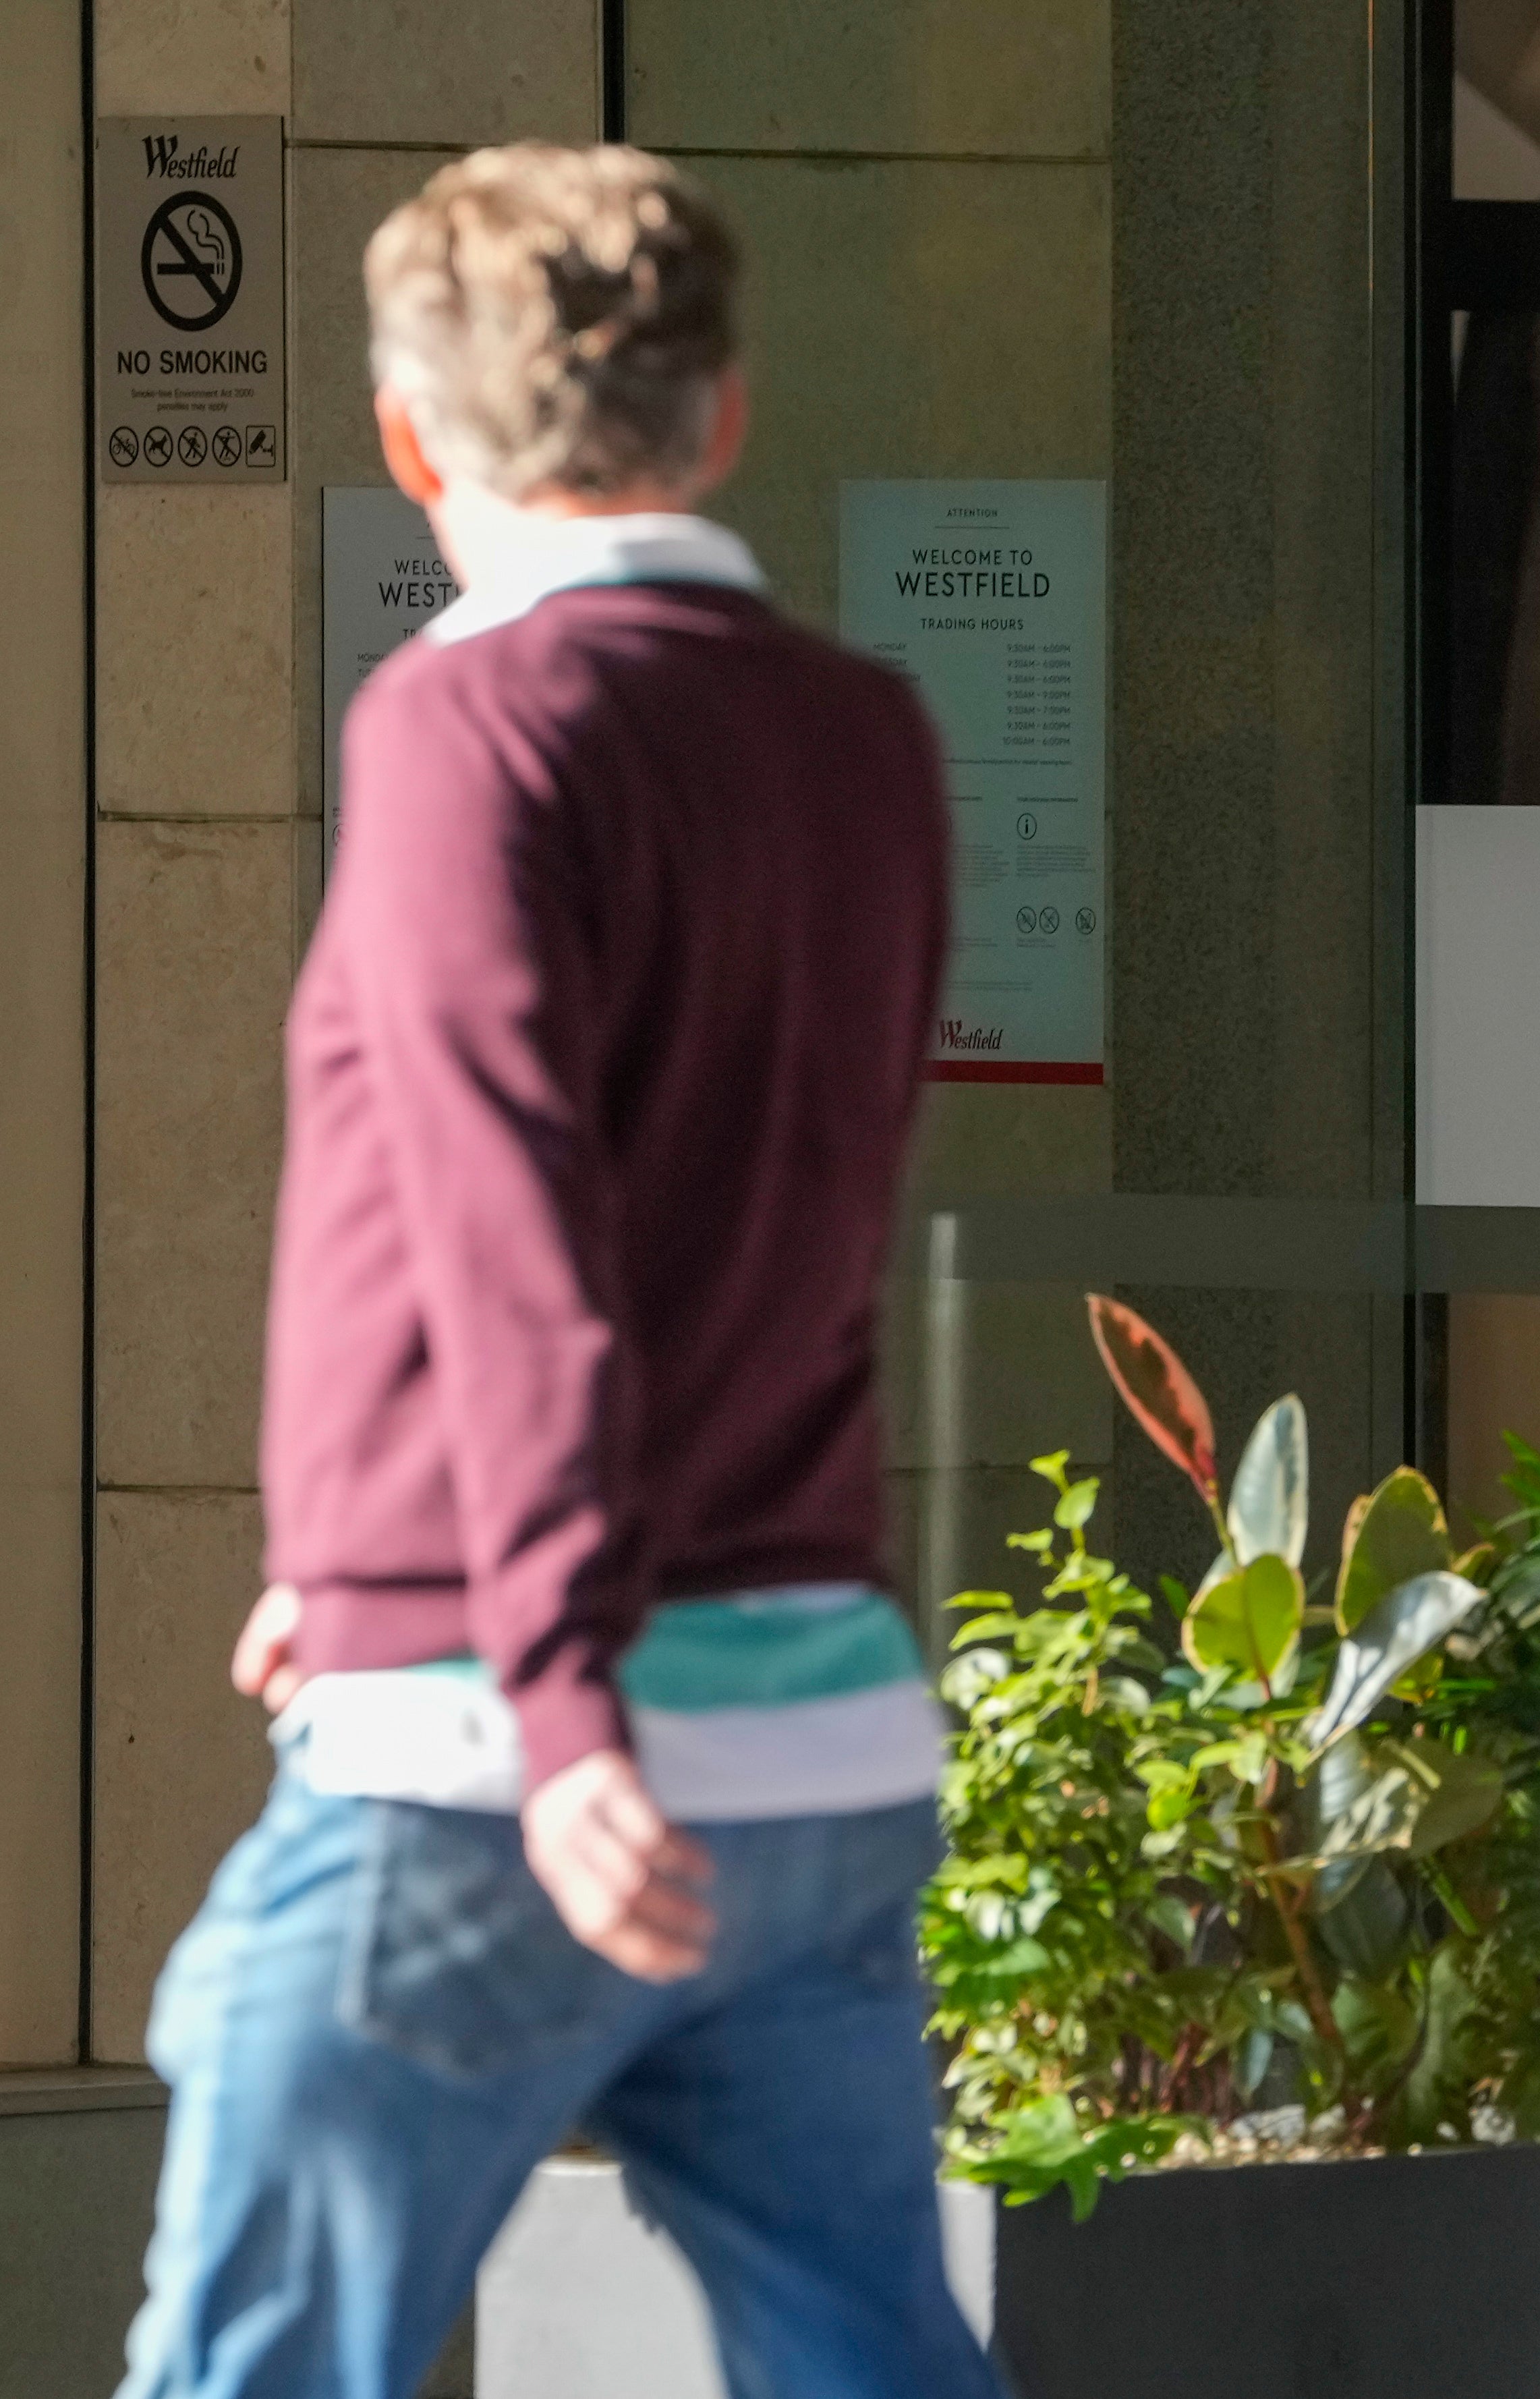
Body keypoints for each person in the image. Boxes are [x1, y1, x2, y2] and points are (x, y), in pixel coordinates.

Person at [118, 144, 997, 2399]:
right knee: (870, 2363)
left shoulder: (463, 726)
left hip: (496, 1760)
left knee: (252, 2363)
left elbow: (517, 1228)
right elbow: (767, 1211)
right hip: (815, 1750)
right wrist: (368, 1537)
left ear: (414, 442)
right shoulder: (866, 738)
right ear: (723, 416)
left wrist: (553, 1683)